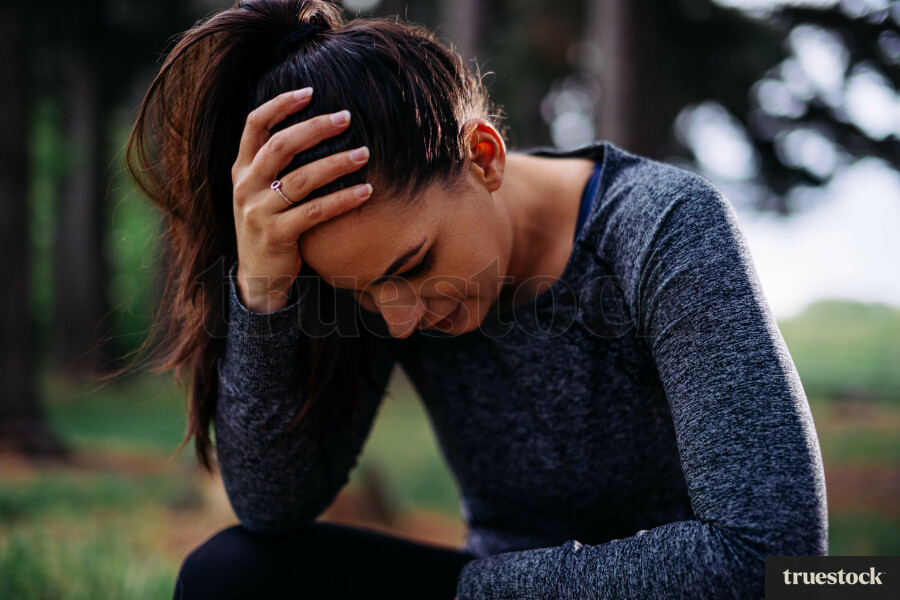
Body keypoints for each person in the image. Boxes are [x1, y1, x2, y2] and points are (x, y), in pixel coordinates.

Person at [125, 0, 828, 598]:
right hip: (488, 586)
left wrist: (480, 589)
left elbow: (775, 558)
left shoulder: (662, 226)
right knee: (230, 575)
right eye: (362, 295)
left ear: (483, 156)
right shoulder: (374, 265)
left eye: (414, 265)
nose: (400, 320)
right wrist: (263, 295)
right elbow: (270, 508)